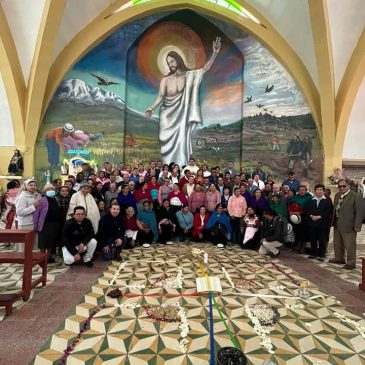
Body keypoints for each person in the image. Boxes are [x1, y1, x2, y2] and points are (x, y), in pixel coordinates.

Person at [144, 37, 221, 166]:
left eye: (172, 61)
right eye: (168, 63)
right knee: (165, 146)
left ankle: (181, 168)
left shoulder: (189, 75)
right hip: (167, 116)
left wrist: (215, 53)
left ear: (178, 59)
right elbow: (160, 96)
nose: (170, 65)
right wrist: (151, 108)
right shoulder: (166, 80)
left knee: (182, 142)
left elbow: (205, 69)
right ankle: (167, 170)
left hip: (182, 115)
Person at [329, 179, 365, 269]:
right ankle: (339, 258)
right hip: (337, 223)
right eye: (339, 186)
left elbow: (360, 212)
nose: (341, 188)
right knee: (337, 243)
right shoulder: (337, 195)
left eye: (343, 186)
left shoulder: (356, 196)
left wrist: (357, 226)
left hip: (349, 225)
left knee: (350, 245)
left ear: (348, 186)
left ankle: (351, 262)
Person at [33, 184, 61, 263]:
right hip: (44, 224)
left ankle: (48, 258)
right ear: (45, 191)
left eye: (52, 189)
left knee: (51, 243)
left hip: (55, 224)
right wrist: (36, 225)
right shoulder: (42, 200)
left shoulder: (56, 199)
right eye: (48, 189)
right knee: (43, 243)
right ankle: (41, 259)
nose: (51, 190)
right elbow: (36, 214)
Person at [306, 184, 331, 262]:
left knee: (322, 239)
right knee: (312, 239)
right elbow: (307, 210)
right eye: (317, 189)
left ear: (323, 191)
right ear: (315, 191)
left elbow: (328, 211)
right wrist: (311, 216)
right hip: (312, 222)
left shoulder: (327, 200)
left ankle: (321, 255)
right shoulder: (311, 200)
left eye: (321, 189)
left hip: (322, 223)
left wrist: (320, 216)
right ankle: (313, 253)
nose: (319, 191)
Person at [14, 179, 41, 251]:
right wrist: (34, 207)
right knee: (24, 245)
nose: (33, 187)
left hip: (34, 223)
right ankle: (22, 259)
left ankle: (30, 259)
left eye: (35, 185)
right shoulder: (22, 197)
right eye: (31, 185)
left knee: (32, 245)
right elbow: (20, 212)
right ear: (26, 186)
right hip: (25, 223)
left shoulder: (37, 195)